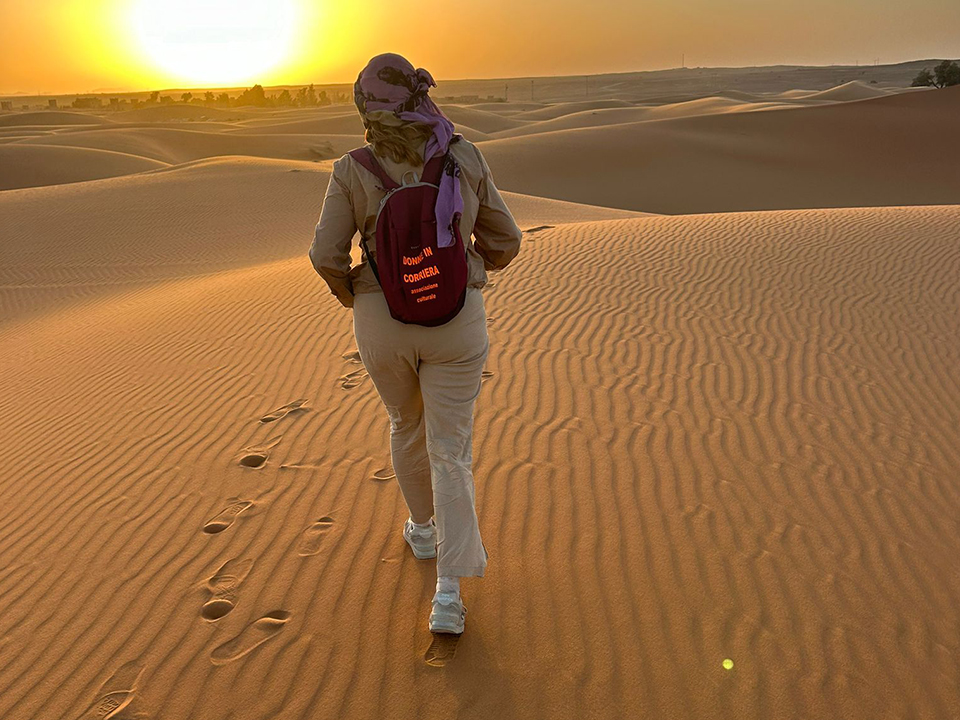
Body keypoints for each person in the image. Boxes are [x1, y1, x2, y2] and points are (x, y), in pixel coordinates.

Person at [308, 53, 523, 634]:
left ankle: (423, 533)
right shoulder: (463, 154)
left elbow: (325, 254)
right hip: (456, 319)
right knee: (450, 449)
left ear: (365, 106)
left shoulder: (351, 169)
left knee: (407, 425)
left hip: (382, 321)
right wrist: (468, 269)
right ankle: (448, 594)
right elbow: (506, 238)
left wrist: (360, 294)